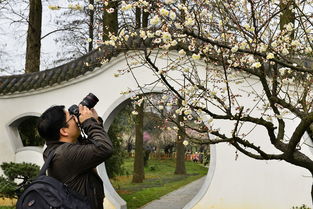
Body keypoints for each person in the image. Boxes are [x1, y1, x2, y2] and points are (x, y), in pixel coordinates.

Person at [37, 104, 113, 209]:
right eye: (72, 118)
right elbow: (104, 148)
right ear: (64, 131)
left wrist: (94, 121)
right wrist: (88, 122)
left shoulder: (56, 149)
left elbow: (92, 145)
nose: (76, 118)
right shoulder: (64, 154)